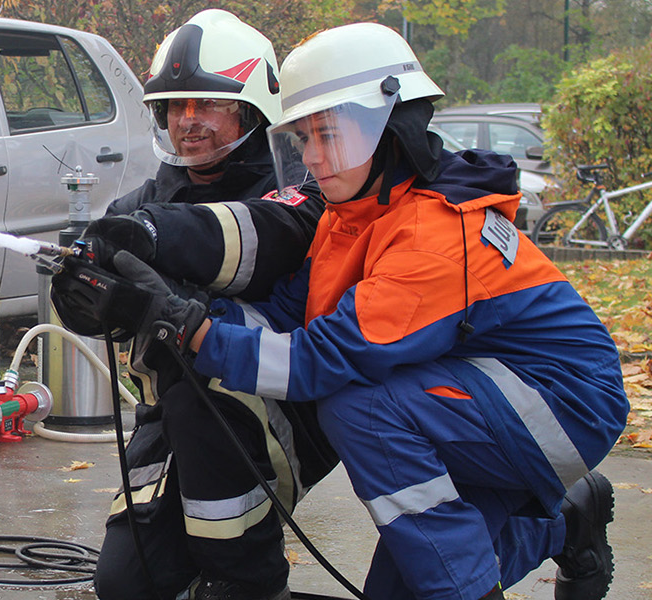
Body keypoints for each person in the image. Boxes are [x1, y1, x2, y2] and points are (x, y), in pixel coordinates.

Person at [72, 22, 626, 600]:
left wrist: (192, 331)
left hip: (561, 406)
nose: (312, 159)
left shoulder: (432, 235)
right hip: (465, 397)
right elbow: (291, 314)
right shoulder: (356, 212)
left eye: (329, 135)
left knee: (359, 405)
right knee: (407, 581)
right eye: (303, 139)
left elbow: (318, 359)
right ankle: (567, 520)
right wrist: (169, 312)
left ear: (390, 126)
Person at [57, 10, 335, 600]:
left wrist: (153, 238)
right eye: (175, 106)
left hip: (279, 407)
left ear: (253, 108)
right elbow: (105, 289)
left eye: (207, 104)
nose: (188, 121)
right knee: (128, 583)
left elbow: (250, 239)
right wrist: (84, 299)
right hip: (174, 412)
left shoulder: (301, 188)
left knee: (222, 550)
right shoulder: (147, 199)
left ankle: (249, 581)